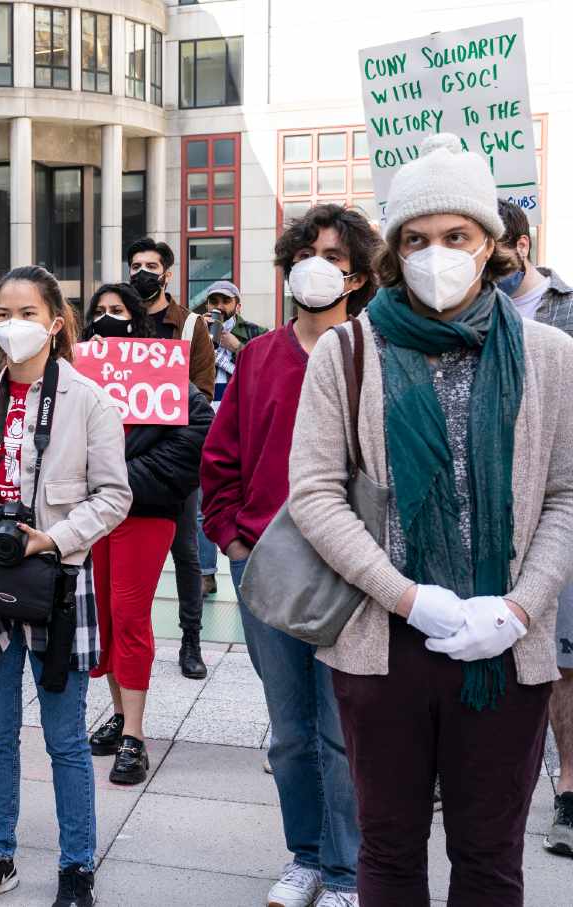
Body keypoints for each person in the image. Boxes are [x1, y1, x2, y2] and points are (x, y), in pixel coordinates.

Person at [287, 133, 573, 906]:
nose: (435, 254)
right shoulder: (346, 350)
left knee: (489, 859)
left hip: (506, 652)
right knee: (387, 852)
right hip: (384, 647)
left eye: (456, 236)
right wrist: (409, 596)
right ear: (394, 248)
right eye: (416, 238)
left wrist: (517, 608)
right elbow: (314, 493)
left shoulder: (550, 354)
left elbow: (566, 495)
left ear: (490, 246)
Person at [201, 203, 381, 907]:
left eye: (335, 256)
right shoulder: (257, 356)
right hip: (266, 566)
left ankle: (345, 870)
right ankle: (305, 854)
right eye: (307, 251)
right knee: (290, 731)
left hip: (351, 569)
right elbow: (221, 458)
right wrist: (234, 538)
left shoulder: (376, 352)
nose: (319, 265)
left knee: (343, 731)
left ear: (360, 274)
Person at [0, 266, 131, 907]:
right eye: (3, 313)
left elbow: (115, 497)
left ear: (55, 322)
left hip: (59, 582)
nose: (12, 326)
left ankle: (77, 865)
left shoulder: (88, 400)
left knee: (65, 738)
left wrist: (49, 538)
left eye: (27, 313)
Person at [79, 282, 212, 785]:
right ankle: (118, 715)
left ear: (137, 322)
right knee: (106, 621)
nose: (109, 318)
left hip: (145, 513)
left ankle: (134, 736)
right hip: (93, 520)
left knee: (131, 616)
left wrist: (112, 482)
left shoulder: (169, 378)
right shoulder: (77, 379)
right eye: (101, 312)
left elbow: (190, 448)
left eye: (119, 311)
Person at [495, 199, 573, 858]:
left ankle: (568, 788)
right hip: (486, 512)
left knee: (562, 659)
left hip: (555, 505)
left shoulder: (565, 315)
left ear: (520, 244)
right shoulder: (455, 316)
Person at [124, 239, 216, 680]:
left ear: (168, 273)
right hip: (125, 454)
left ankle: (191, 640)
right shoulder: (122, 322)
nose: (142, 272)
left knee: (186, 551)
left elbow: (202, 391)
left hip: (174, 458)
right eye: (136, 265)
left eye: (151, 265)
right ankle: (120, 636)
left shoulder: (191, 325)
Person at [192, 279, 264, 596]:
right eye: (213, 300)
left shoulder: (255, 334)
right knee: (200, 503)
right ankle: (206, 574)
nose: (217, 306)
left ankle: (251, 572)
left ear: (237, 304)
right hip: (204, 418)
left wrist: (234, 345)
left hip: (240, 422)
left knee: (246, 498)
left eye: (224, 300)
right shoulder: (196, 330)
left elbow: (263, 371)